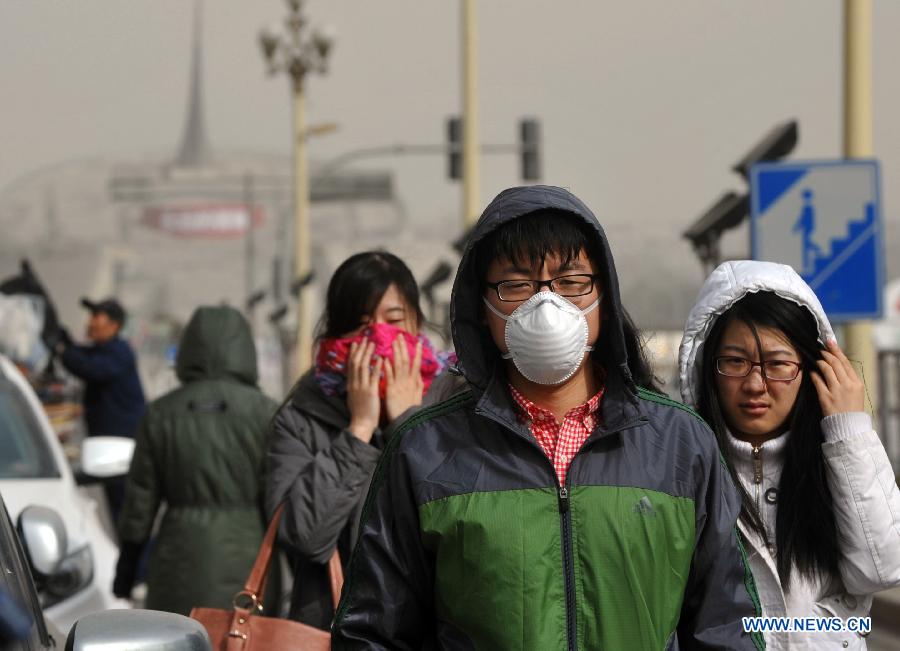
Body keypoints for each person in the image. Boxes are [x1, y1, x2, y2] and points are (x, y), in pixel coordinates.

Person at [332, 186, 764, 650]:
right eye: (516, 284)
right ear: (483, 306)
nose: (547, 303)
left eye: (571, 281)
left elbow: (727, 625)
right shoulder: (426, 452)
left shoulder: (680, 445)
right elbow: (373, 634)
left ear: (604, 294)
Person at [678, 259, 900, 650]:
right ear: (706, 369)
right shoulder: (685, 468)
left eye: (777, 364)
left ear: (813, 370)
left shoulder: (839, 458)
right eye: (734, 362)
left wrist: (849, 431)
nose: (755, 384)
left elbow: (883, 569)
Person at [265, 251, 454, 629]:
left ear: (417, 323)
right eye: (360, 324)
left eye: (394, 319)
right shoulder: (303, 417)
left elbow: (459, 525)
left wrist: (407, 423)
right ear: (336, 332)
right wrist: (360, 428)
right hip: (333, 628)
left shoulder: (455, 400)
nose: (377, 336)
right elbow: (304, 537)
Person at [113, 306, 278, 616]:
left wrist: (126, 572)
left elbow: (139, 505)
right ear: (245, 350)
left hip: (178, 561)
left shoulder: (160, 413)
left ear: (188, 349)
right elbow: (281, 504)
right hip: (250, 562)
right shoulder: (266, 413)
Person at [56, 297, 146, 521]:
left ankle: (138, 556)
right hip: (110, 448)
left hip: (122, 450)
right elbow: (82, 357)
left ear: (114, 325)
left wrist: (62, 349)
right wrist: (64, 344)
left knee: (128, 515)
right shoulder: (103, 350)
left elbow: (91, 368)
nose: (90, 322)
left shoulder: (119, 353)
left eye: (97, 317)